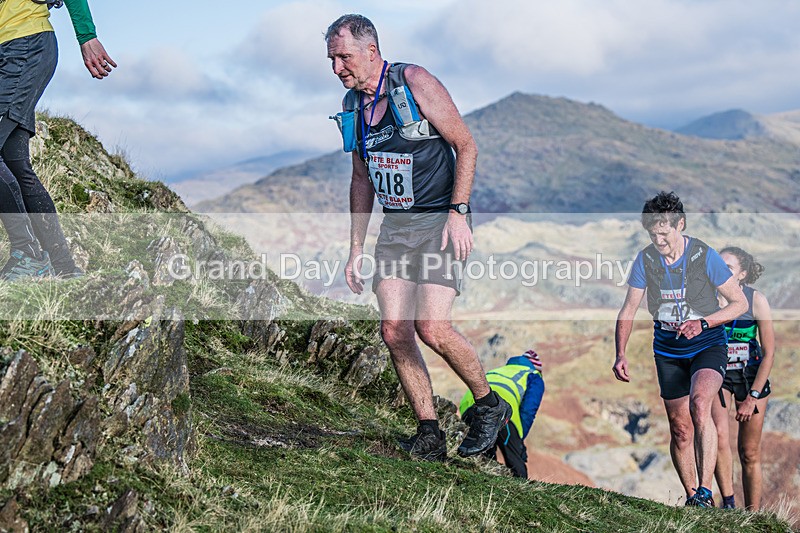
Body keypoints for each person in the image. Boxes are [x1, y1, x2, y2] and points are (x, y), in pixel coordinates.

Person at [325, 14, 511, 461]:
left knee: (432, 327)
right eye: (331, 59)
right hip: (396, 229)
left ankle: (489, 406)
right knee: (394, 330)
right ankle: (429, 431)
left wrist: (459, 212)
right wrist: (355, 249)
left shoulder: (414, 81)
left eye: (344, 57)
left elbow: (466, 144)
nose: (336, 68)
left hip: (439, 224)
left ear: (372, 51)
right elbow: (361, 178)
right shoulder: (352, 106)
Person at [612, 191, 747, 508]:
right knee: (680, 429)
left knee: (701, 405)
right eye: (652, 233)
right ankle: (693, 499)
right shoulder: (646, 260)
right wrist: (620, 353)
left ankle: (705, 491)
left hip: (707, 345)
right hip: (668, 352)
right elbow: (628, 308)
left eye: (664, 232)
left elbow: (738, 303)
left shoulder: (704, 256)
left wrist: (704, 324)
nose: (658, 240)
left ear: (680, 225)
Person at [0, 0, 116, 280]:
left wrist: (86, 35)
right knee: (15, 164)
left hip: (24, 45)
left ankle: (27, 254)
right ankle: (63, 266)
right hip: (13, 50)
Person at [711, 247, 774, 510]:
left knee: (749, 453)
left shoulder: (756, 299)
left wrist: (753, 397)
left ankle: (753, 516)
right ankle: (728, 504)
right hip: (719, 376)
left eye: (728, 267)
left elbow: (769, 352)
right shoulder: (707, 299)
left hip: (751, 377)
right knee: (717, 439)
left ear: (742, 274)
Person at [459, 349, 545, 478]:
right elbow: (528, 411)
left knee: (481, 456)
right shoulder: (533, 375)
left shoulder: (496, 371)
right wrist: (519, 442)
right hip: (502, 411)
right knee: (515, 462)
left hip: (469, 407)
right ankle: (519, 494)